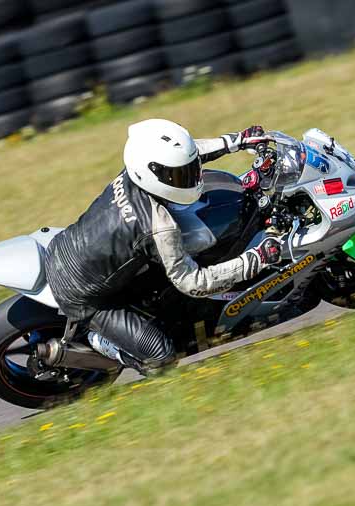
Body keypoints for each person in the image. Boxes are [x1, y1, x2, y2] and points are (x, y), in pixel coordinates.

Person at [43, 119, 282, 374]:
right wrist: (256, 259)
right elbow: (193, 282)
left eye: (189, 171)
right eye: (181, 176)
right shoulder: (158, 225)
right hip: (84, 298)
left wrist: (236, 140)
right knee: (163, 359)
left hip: (64, 248)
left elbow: (186, 156)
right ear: (152, 172)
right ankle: (99, 341)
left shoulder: (133, 173)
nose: (192, 178)